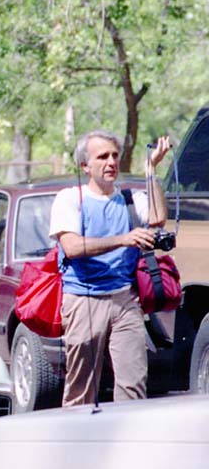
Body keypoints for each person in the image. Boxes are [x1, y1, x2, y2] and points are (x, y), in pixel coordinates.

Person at [48, 129, 171, 406]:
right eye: (102, 157)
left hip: (125, 299)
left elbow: (158, 217)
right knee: (82, 389)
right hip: (84, 299)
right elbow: (72, 247)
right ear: (85, 166)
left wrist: (151, 169)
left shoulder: (129, 199)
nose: (111, 162)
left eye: (115, 156)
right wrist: (123, 239)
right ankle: (78, 443)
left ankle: (128, 444)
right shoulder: (70, 199)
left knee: (133, 385)